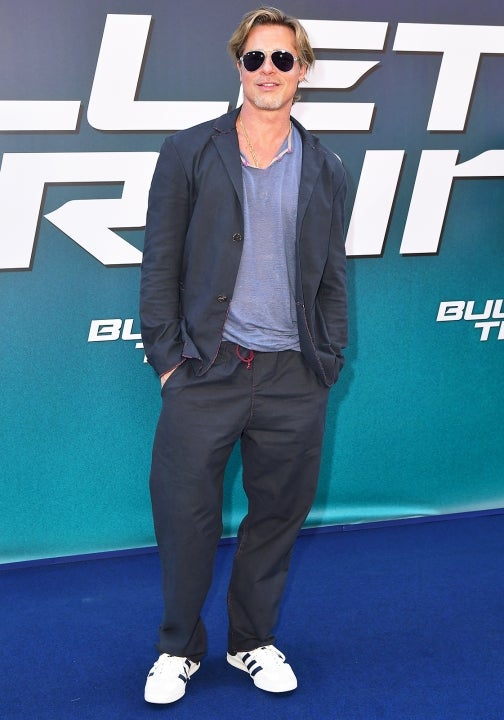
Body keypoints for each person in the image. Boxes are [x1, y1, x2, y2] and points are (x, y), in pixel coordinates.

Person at [140, 5, 347, 704]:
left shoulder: (326, 166)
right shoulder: (188, 151)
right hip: (206, 368)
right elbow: (159, 263)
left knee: (277, 519)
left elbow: (331, 274)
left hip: (294, 376)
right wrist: (169, 360)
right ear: (239, 66)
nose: (268, 70)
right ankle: (178, 648)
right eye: (255, 57)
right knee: (184, 518)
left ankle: (251, 641)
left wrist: (327, 358)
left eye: (282, 59)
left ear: (302, 71)